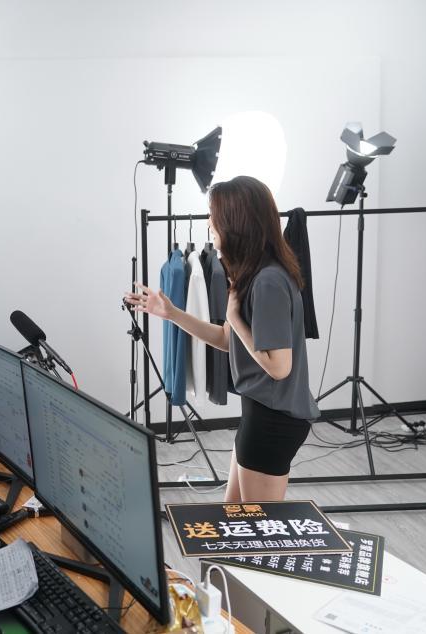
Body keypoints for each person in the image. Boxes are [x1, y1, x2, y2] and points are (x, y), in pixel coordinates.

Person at [125, 176, 318, 502]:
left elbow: (280, 367)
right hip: (260, 411)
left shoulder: (268, 282)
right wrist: (172, 313)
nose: (209, 224)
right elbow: (229, 340)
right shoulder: (253, 274)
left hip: (274, 420)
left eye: (214, 216)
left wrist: (235, 318)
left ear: (235, 223)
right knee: (232, 513)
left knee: (255, 524)